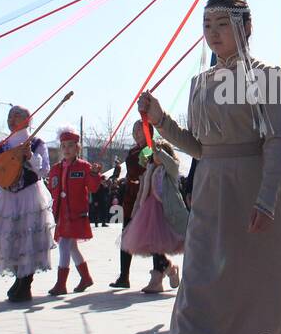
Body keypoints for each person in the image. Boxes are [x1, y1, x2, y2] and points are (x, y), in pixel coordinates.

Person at [135, 0, 281, 334]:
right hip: (210, 188)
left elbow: (277, 140)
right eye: (207, 26)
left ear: (246, 27)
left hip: (253, 188)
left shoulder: (266, 76)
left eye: (222, 25)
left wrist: (266, 199)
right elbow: (199, 147)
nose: (213, 34)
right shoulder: (201, 82)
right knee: (199, 283)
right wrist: (160, 121)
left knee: (264, 284)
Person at [0, 105, 54, 302]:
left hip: (29, 194)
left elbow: (45, 170)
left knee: (28, 237)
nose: (11, 120)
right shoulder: (2, 144)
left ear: (27, 119)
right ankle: (19, 278)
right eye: (10, 116)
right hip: (7, 196)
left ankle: (26, 281)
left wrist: (31, 157)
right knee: (11, 237)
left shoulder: (37, 143)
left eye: (16, 116)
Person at [110, 120, 176, 292]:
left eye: (140, 129)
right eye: (134, 129)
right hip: (131, 194)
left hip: (147, 194)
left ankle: (164, 270)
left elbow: (141, 166)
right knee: (127, 234)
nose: (136, 132)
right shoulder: (133, 150)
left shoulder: (151, 149)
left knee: (152, 237)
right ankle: (124, 275)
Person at [120, 135, 185, 293]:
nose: (154, 156)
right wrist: (137, 209)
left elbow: (171, 163)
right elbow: (143, 189)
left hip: (165, 210)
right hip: (149, 210)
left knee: (158, 244)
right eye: (154, 154)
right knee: (154, 245)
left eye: (158, 154)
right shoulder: (149, 169)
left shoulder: (169, 169)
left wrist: (159, 150)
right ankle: (167, 271)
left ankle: (159, 277)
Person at [47, 129, 103, 295]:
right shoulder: (55, 169)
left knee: (64, 245)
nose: (67, 149)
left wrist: (94, 174)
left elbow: (93, 187)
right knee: (71, 247)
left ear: (77, 148)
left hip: (76, 214)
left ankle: (61, 283)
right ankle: (86, 278)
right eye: (63, 146)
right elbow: (52, 190)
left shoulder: (84, 167)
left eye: (71, 146)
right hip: (61, 215)